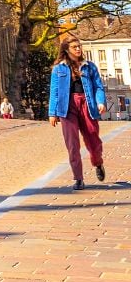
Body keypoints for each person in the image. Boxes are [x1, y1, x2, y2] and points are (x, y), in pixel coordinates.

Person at [48, 34, 107, 190]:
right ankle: (78, 178)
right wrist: (52, 113)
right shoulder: (58, 69)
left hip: (87, 104)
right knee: (72, 144)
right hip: (66, 107)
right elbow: (54, 91)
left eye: (79, 46)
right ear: (67, 50)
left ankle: (98, 162)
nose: (79, 49)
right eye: (75, 47)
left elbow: (98, 87)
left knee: (93, 138)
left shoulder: (90, 66)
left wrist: (100, 101)